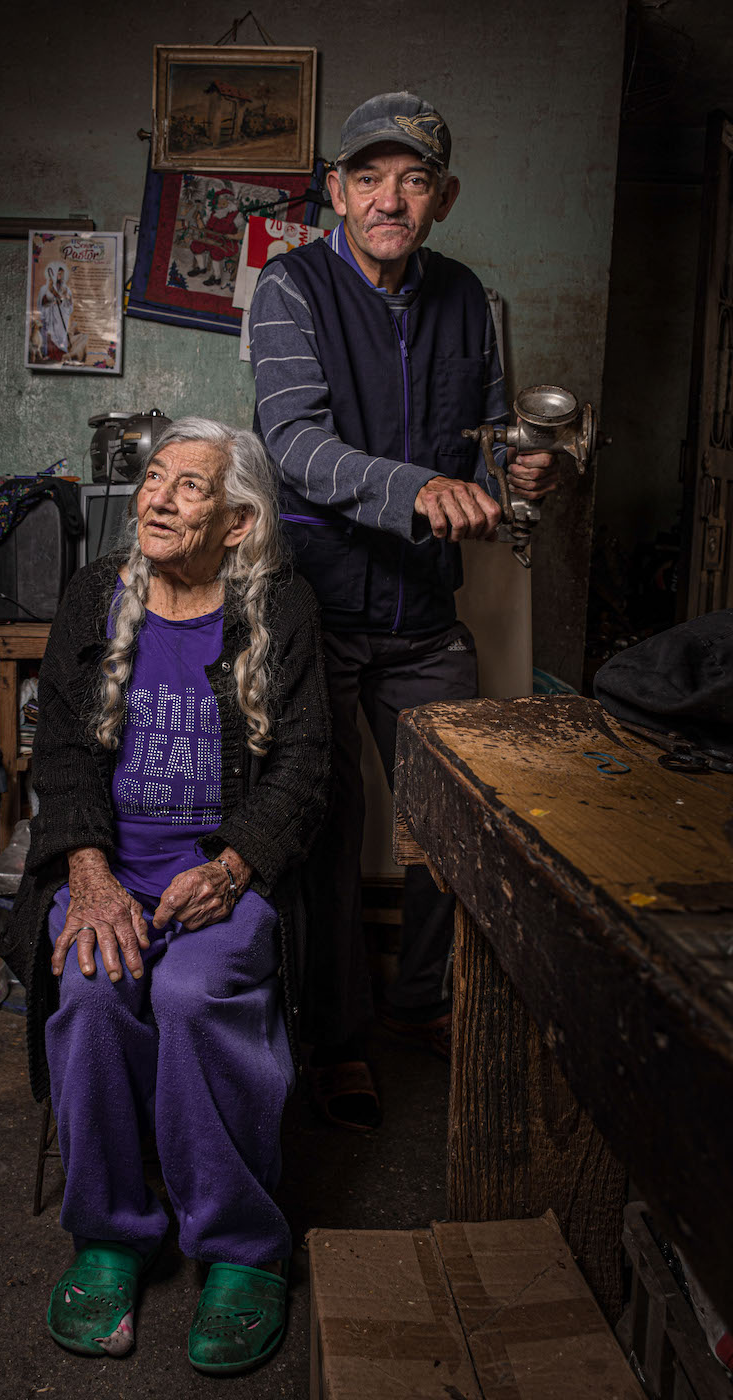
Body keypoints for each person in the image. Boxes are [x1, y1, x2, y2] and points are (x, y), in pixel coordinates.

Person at [247, 91, 558, 1132]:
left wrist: (521, 473)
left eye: (413, 181)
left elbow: (489, 444)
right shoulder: (289, 286)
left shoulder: (469, 299)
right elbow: (294, 443)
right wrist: (419, 489)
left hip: (425, 613)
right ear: (336, 191)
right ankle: (337, 1038)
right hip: (320, 610)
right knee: (328, 833)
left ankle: (420, 1000)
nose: (390, 199)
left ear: (443, 198)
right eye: (369, 178)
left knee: (452, 827)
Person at [0, 417, 330, 1374]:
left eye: (190, 486)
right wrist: (87, 872)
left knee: (191, 993)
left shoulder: (280, 607)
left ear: (237, 523)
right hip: (110, 871)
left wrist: (234, 866)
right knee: (92, 992)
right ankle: (111, 1235)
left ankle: (242, 1247)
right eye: (155, 479)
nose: (157, 497)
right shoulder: (96, 595)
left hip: (222, 877)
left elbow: (307, 763)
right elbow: (63, 751)